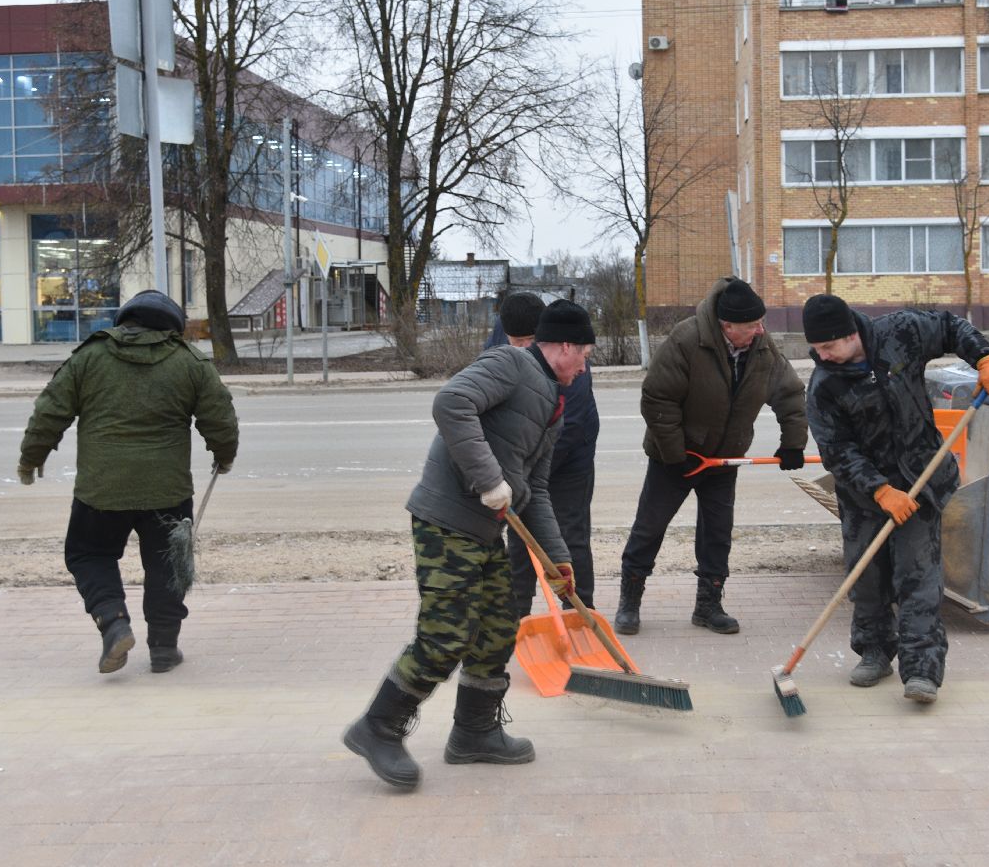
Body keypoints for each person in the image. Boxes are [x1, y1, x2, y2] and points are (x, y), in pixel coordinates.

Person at [345, 300, 595, 791]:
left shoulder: (553, 407)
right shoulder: (511, 363)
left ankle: (475, 731)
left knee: (499, 627)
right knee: (446, 635)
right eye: (585, 354)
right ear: (565, 346)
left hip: (483, 530)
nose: (585, 366)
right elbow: (451, 403)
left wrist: (557, 559)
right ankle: (378, 727)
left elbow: (536, 490)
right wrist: (489, 479)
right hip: (445, 521)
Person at [16, 289, 239, 676]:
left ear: (125, 320)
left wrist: (31, 457)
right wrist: (224, 453)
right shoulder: (189, 362)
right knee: (168, 565)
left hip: (101, 490)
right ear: (172, 327)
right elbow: (220, 416)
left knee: (89, 555)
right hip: (167, 490)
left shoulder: (90, 357)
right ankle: (164, 648)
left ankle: (113, 622)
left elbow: (50, 411)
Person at [800, 293, 989, 704]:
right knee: (867, 576)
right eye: (817, 348)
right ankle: (875, 652)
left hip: (921, 479)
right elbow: (837, 451)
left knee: (918, 577)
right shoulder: (824, 386)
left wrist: (983, 357)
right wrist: (880, 490)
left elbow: (949, 327)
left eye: (828, 346)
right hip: (865, 494)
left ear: (851, 334)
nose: (821, 355)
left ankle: (922, 670)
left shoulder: (899, 333)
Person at [615, 277, 807, 636]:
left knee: (717, 535)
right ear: (726, 326)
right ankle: (629, 602)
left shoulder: (762, 348)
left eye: (760, 323)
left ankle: (708, 606)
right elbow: (657, 398)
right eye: (752, 325)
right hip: (674, 459)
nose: (760, 330)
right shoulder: (687, 340)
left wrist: (793, 444)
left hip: (723, 461)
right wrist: (676, 455)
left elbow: (790, 395)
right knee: (650, 527)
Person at [489, 295, 601, 619]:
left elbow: (568, 423)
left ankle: (580, 613)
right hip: (523, 456)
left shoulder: (569, 362)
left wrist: (532, 473)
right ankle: (517, 617)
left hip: (570, 453)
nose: (523, 349)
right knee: (520, 535)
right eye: (515, 342)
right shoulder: (501, 339)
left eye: (529, 341)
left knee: (570, 533)